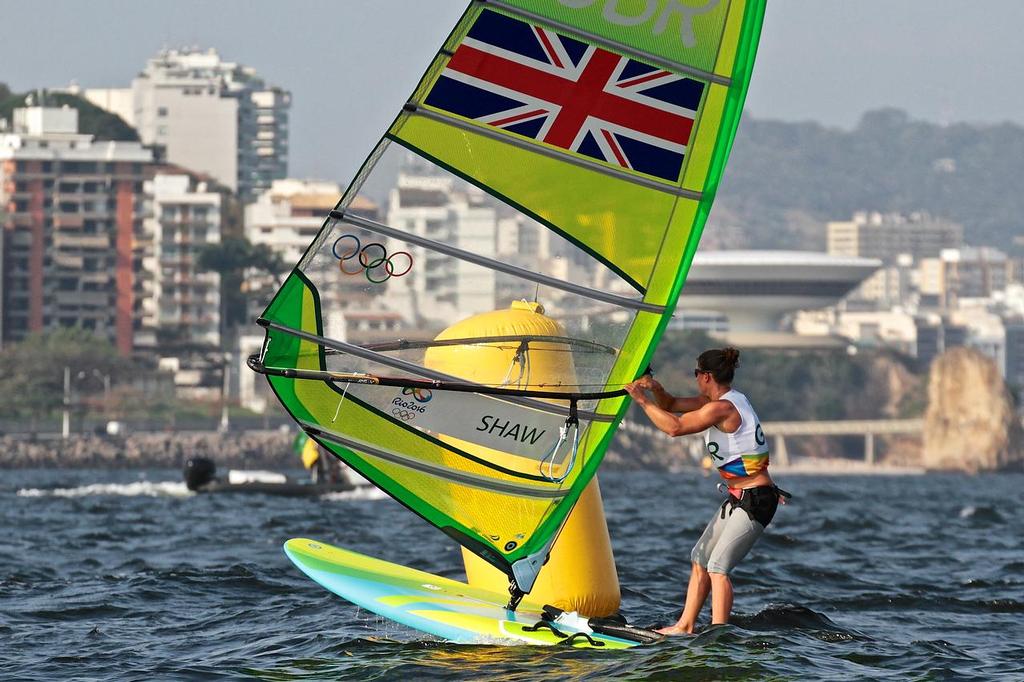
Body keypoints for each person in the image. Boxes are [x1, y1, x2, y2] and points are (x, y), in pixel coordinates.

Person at [624, 347, 789, 635]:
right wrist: (655, 389)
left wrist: (640, 401)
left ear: (707, 376)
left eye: (696, 373)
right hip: (740, 497)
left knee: (717, 567)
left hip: (757, 499)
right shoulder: (723, 400)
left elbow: (674, 428)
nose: (696, 378)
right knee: (700, 558)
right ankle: (685, 626)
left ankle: (719, 636)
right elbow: (672, 404)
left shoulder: (721, 408)